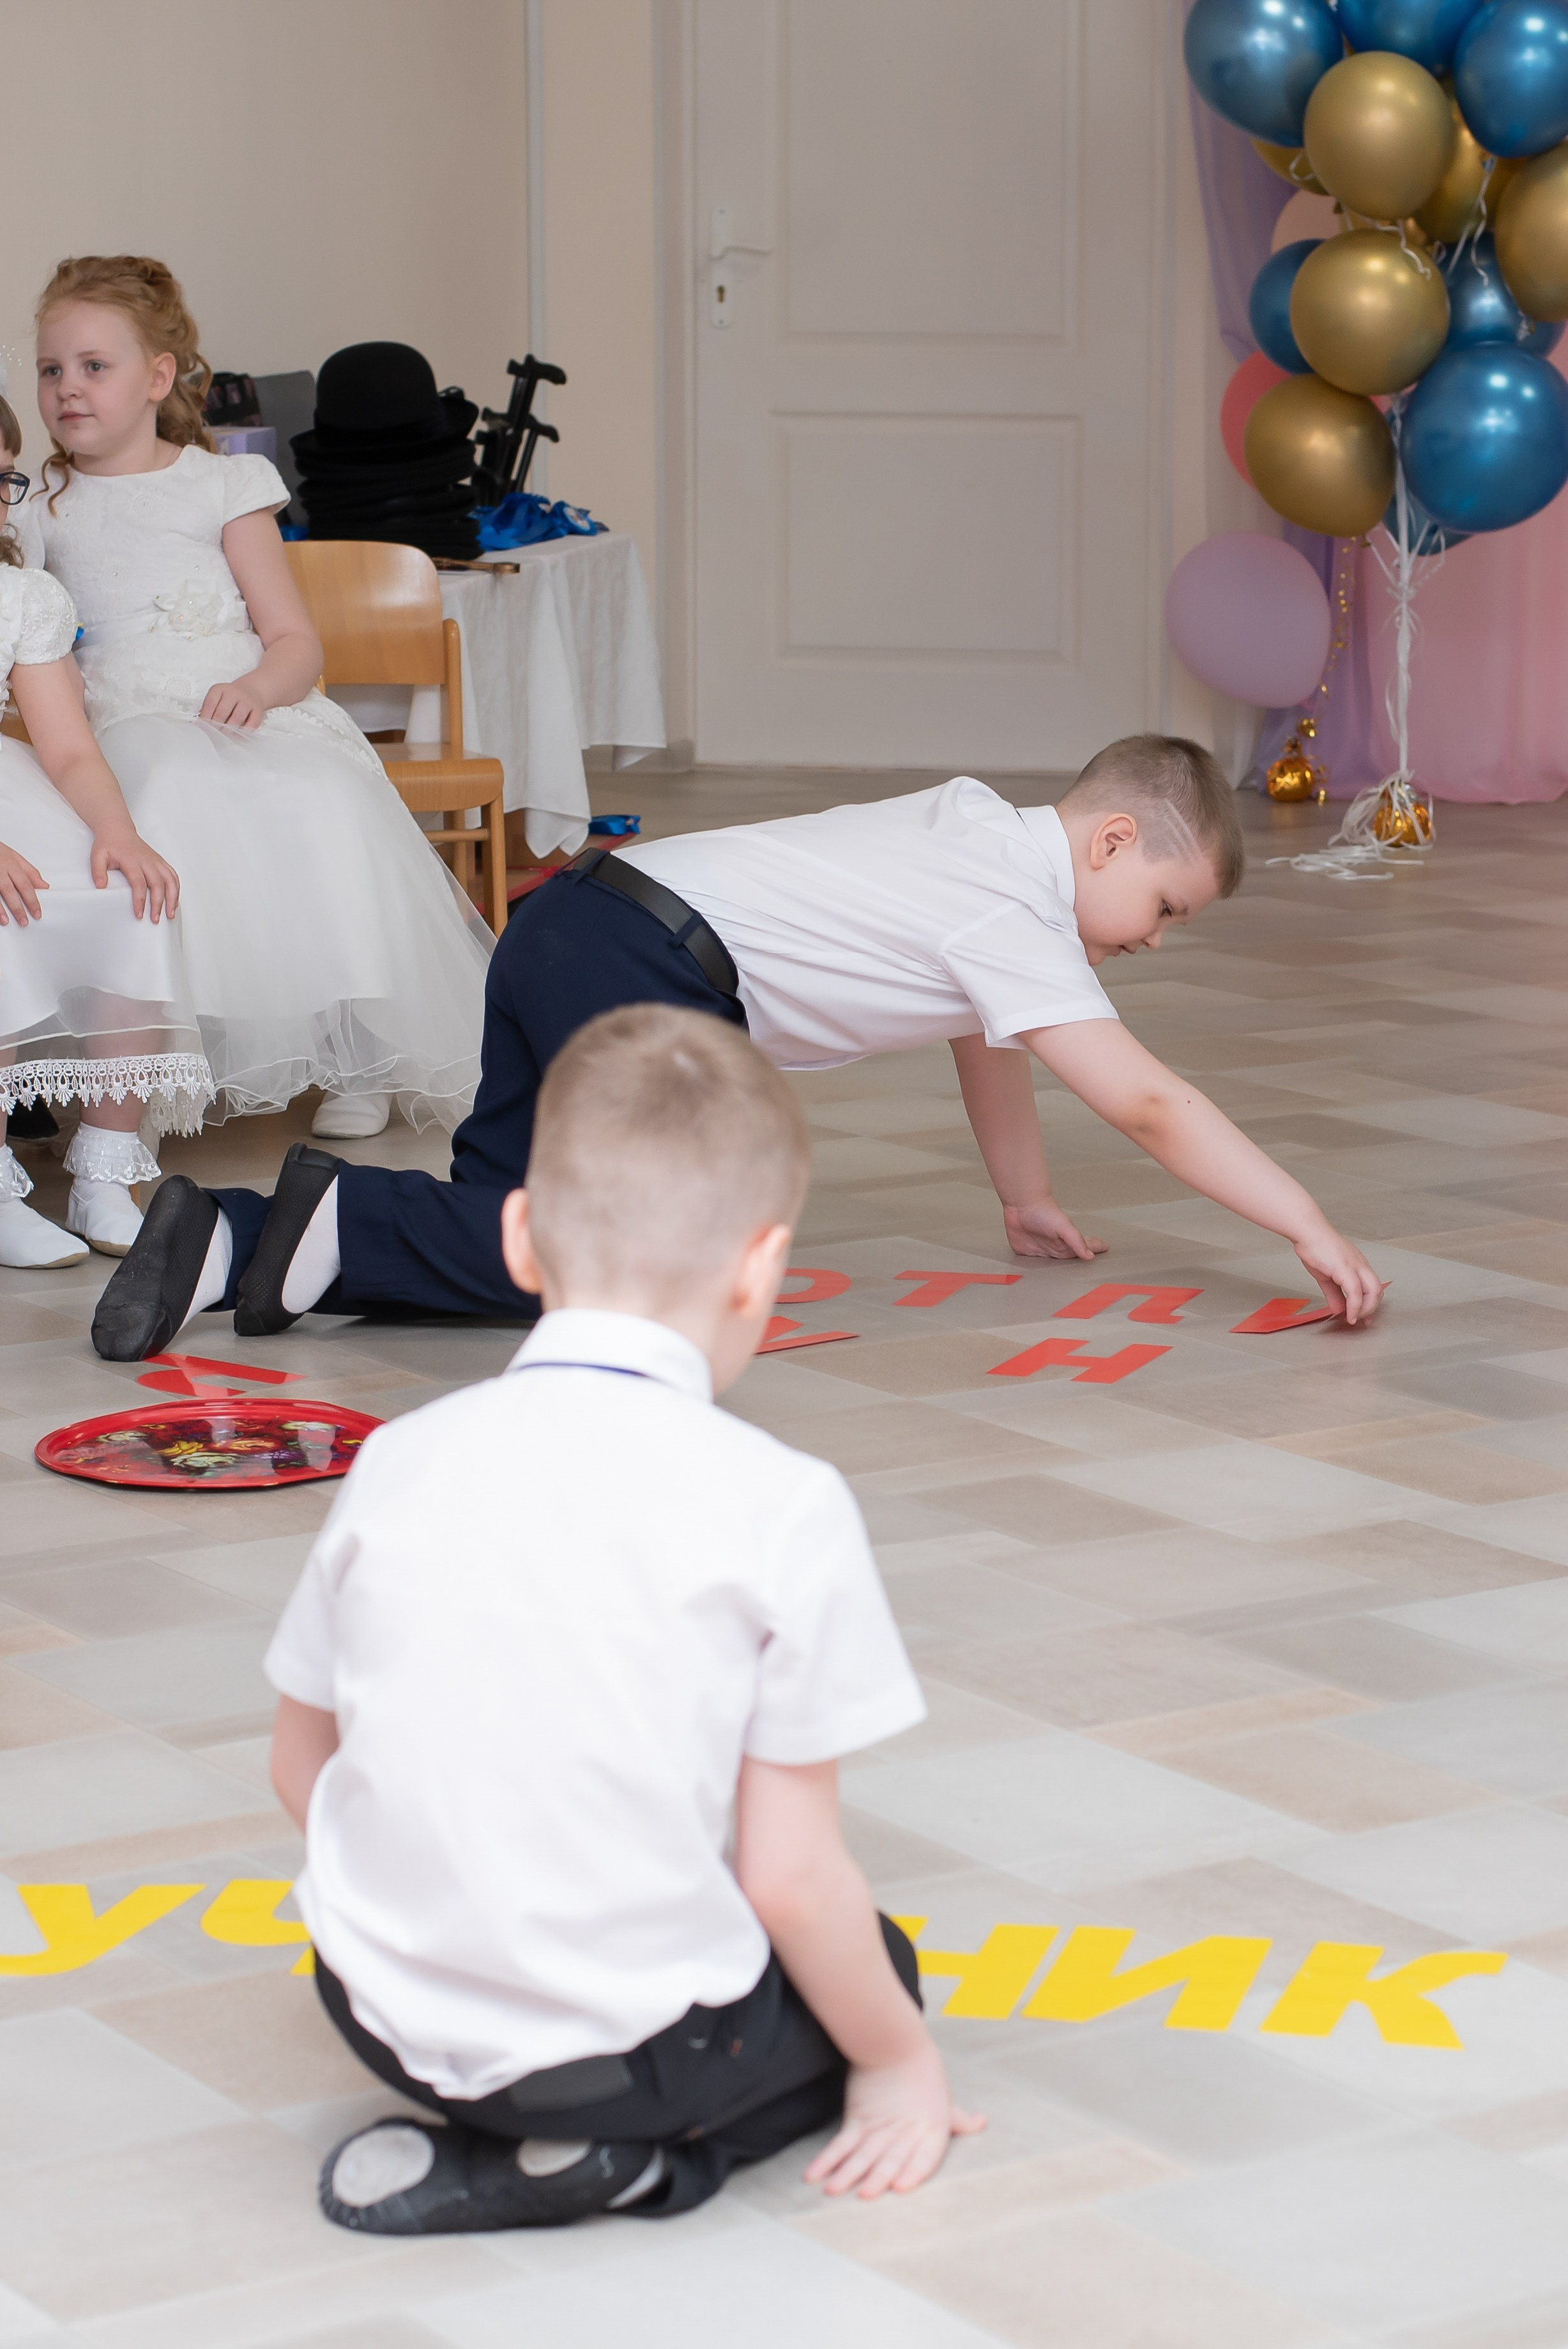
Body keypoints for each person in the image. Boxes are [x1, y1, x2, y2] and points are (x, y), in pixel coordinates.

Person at [266, 1006, 980, 2231]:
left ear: (521, 1238)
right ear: (763, 1269)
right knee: (879, 1962)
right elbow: (790, 1878)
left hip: (375, 2009)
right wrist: (900, 2063)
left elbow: (298, 1767)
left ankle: (521, 2118)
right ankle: (630, 2158)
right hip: (622, 2054)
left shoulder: (398, 1459)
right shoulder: (784, 1503)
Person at [92, 734, 1384, 1361]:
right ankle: (290, 1228)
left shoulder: (978, 832)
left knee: (518, 1223)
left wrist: (1023, 1194)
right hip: (646, 970)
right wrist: (1304, 1220)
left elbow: (984, 1038)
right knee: (621, 1252)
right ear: (1110, 844)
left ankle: (231, 1247)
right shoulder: (1017, 908)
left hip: (573, 924)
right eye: (1163, 909)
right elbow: (1148, 1104)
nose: (1154, 941)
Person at [19, 254, 490, 1146]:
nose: (67, 390)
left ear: (158, 377)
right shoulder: (43, 500)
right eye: (51, 370)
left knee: (328, 799)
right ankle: (144, 1076)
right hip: (122, 715)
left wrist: (257, 689)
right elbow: (28, 627)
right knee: (164, 795)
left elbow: (295, 640)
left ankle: (362, 1052)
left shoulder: (225, 485)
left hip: (247, 703)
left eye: (93, 367)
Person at [0, 384, 208, 1266]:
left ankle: (104, 1168)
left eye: (4, 480)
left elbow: (71, 748)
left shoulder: (21, 597)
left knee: (126, 891)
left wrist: (119, 830)